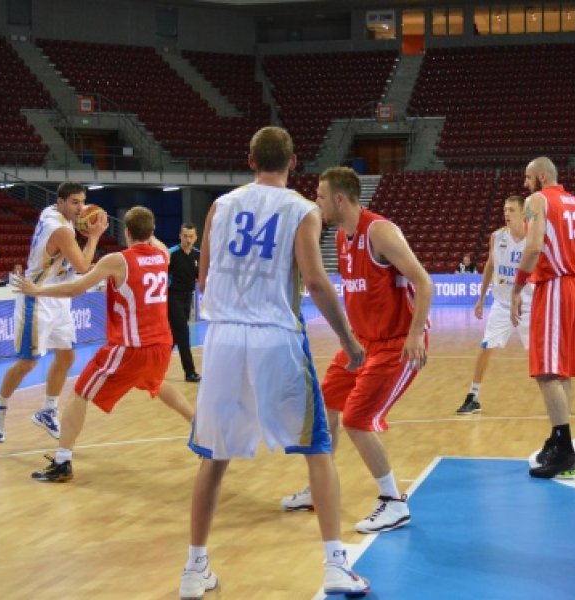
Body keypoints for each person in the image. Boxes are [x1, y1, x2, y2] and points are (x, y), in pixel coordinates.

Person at [180, 127, 369, 599]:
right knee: (318, 450)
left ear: (249, 160)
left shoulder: (220, 206)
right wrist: (348, 339)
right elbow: (316, 282)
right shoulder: (302, 209)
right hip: (275, 335)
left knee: (213, 457)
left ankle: (193, 569)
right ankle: (334, 565)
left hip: (223, 337)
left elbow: (203, 278)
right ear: (294, 160)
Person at [281, 166, 433, 537]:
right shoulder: (342, 239)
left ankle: (394, 502)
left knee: (356, 420)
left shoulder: (379, 231)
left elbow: (424, 281)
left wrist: (415, 334)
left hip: (397, 344)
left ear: (338, 198)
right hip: (362, 343)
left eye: (319, 197)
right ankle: (321, 488)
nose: (316, 203)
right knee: (325, 408)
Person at [16, 206, 194, 482]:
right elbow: (152, 238)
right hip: (161, 344)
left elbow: (75, 289)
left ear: (126, 232)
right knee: (156, 384)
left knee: (80, 393)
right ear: (152, 230)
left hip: (131, 346)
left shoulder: (117, 261)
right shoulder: (162, 255)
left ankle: (63, 461)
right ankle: (200, 428)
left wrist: (38, 290)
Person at [510, 157, 575, 479]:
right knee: (562, 372)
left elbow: (534, 247)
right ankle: (558, 439)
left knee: (547, 372)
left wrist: (516, 288)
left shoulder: (537, 201)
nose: (525, 184)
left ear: (542, 177)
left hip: (555, 287)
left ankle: (566, 451)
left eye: (528, 178)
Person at [0, 181, 108, 444]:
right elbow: (84, 266)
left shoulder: (50, 211)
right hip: (37, 296)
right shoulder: (60, 229)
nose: (80, 207)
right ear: (61, 202)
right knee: (28, 362)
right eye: (74, 202)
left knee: (66, 356)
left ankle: (47, 410)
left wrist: (82, 222)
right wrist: (95, 235)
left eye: (82, 201)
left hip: (58, 294)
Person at [456, 195, 533, 415]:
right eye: (504, 210)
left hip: (529, 305)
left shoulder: (534, 238)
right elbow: (490, 265)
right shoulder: (497, 236)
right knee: (485, 346)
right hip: (501, 303)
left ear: (522, 213)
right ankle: (473, 396)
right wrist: (481, 298)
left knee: (540, 353)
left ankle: (557, 393)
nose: (506, 214)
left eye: (511, 210)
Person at [168, 223, 201, 383]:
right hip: (173, 297)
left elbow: (200, 276)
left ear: (196, 237)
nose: (188, 239)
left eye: (191, 236)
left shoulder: (197, 255)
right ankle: (190, 372)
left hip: (189, 297)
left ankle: (153, 367)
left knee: (173, 338)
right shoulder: (171, 254)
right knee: (183, 333)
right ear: (180, 236)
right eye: (185, 236)